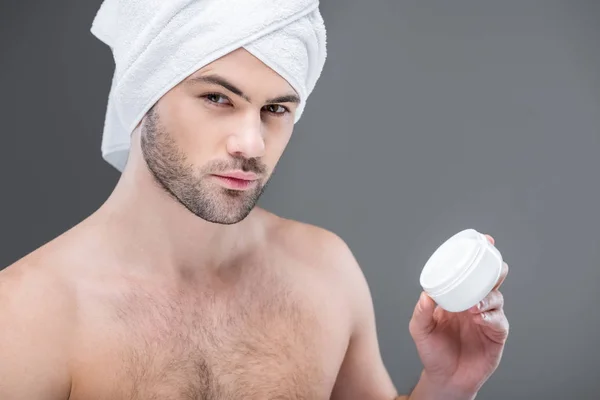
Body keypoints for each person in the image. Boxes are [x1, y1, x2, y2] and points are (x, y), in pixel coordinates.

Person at [0, 1, 510, 399]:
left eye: (276, 108)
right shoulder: (26, 315)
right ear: (142, 96)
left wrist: (447, 386)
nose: (252, 143)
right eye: (218, 98)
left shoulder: (322, 271)